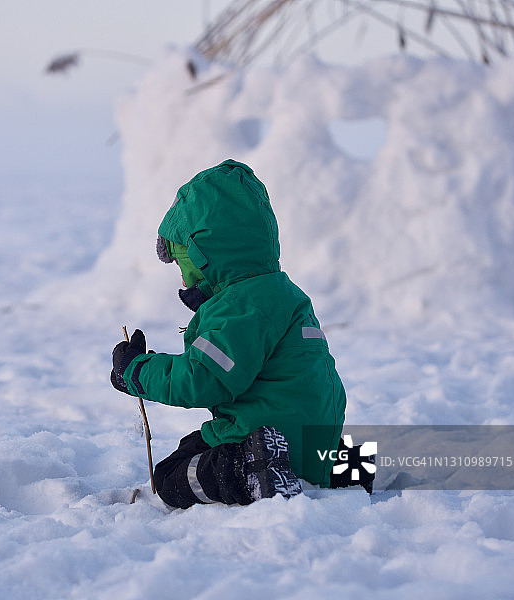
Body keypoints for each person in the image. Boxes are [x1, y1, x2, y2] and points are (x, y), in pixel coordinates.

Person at [111, 159, 354, 508]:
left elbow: (201, 378)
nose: (183, 280)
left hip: (274, 437)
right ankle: (347, 468)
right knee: (194, 445)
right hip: (317, 440)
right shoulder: (282, 293)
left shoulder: (241, 307)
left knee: (170, 477)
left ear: (207, 256)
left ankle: (251, 469)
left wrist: (135, 371)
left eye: (185, 265)